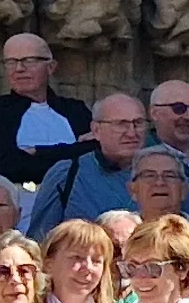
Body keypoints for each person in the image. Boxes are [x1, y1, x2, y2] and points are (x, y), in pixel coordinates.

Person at [26, 92, 154, 231]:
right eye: (121, 124)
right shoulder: (67, 175)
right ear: (96, 130)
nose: (131, 132)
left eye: (138, 123)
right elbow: (41, 238)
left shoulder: (167, 173)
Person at [0, 34, 94, 185]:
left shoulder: (75, 110)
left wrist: (37, 152)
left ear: (50, 67)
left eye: (29, 61)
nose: (19, 69)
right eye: (11, 62)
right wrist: (72, 150)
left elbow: (94, 155)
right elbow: (1, 166)